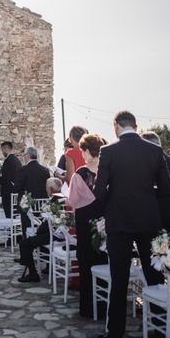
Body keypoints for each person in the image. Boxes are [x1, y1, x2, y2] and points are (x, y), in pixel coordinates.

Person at [93, 111, 170, 338]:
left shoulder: (108, 151)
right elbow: (167, 190)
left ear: (116, 126)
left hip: (119, 222)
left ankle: (115, 332)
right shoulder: (155, 150)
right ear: (136, 125)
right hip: (148, 220)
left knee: (119, 280)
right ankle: (160, 327)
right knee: (153, 276)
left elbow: (99, 193)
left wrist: (116, 197)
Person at [66, 133, 106, 318]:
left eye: (82, 151)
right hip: (104, 219)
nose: (81, 154)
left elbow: (72, 200)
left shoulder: (80, 174)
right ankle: (105, 304)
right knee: (103, 259)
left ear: (89, 151)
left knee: (86, 262)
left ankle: (88, 308)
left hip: (85, 220)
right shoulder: (108, 170)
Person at [16, 177, 66, 283]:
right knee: (37, 238)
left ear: (51, 189)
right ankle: (48, 266)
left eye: (47, 188)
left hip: (55, 236)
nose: (46, 190)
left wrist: (38, 230)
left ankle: (33, 274)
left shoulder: (53, 201)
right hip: (64, 236)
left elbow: (47, 224)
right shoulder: (65, 198)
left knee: (25, 243)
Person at [13, 146, 50, 238]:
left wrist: (14, 186)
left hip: (27, 206)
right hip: (41, 205)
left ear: (28, 156)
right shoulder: (45, 170)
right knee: (40, 226)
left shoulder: (24, 169)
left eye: (24, 155)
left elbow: (16, 188)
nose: (24, 157)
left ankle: (27, 241)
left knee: (26, 226)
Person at [0, 141, 22, 219]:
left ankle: (11, 229)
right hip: (16, 191)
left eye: (2, 150)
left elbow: (6, 178)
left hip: (8, 192)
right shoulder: (17, 160)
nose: (2, 152)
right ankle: (14, 229)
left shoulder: (8, 161)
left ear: (6, 149)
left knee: (9, 213)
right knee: (15, 213)